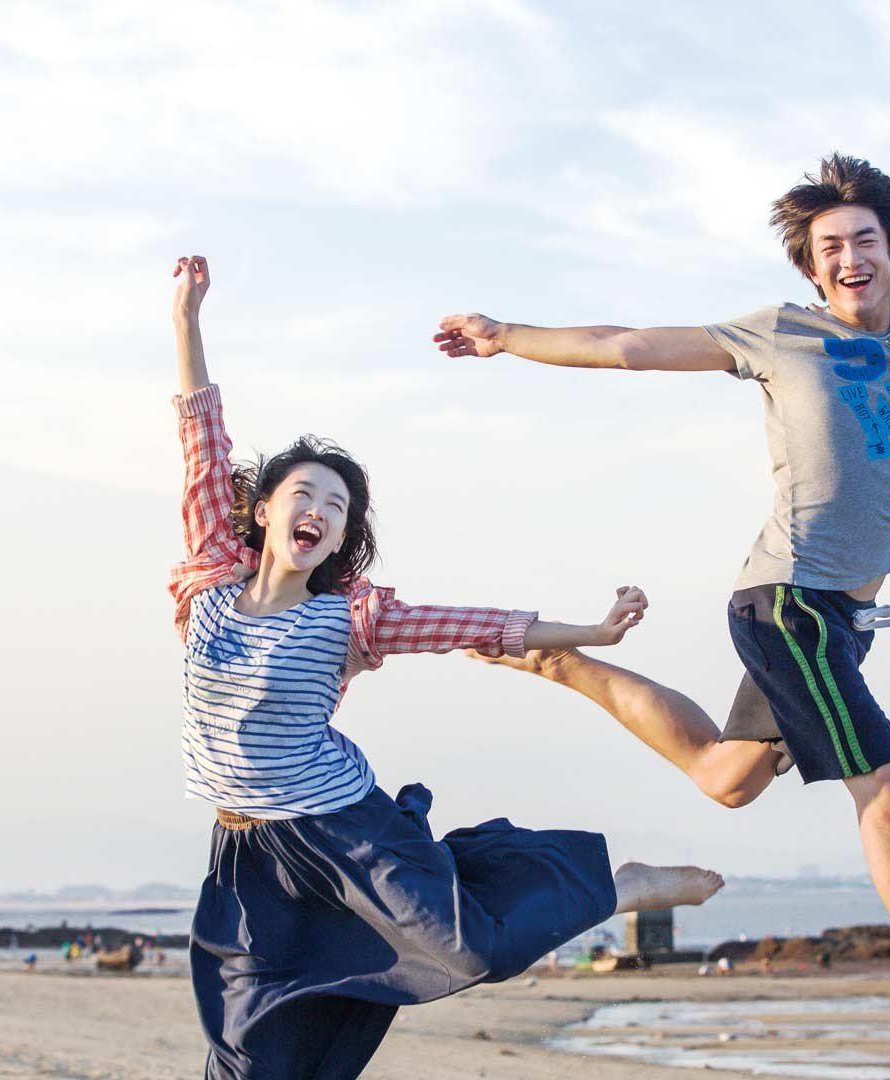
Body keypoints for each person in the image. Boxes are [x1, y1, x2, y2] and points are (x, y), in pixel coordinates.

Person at [434, 22, 890, 1080]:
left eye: (864, 239)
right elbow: (630, 347)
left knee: (726, 776)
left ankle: (561, 660)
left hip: (844, 617)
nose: (849, 257)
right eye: (830, 248)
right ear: (814, 270)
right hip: (791, 602)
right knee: (883, 789)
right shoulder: (784, 335)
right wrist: (510, 337)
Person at [166, 256, 725, 1080]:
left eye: (336, 507)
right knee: (252, 1054)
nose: (318, 511)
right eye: (305, 495)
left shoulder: (348, 618)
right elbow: (200, 438)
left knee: (471, 951)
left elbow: (474, 625)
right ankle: (450, 878)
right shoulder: (211, 574)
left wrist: (593, 632)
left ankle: (617, 887)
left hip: (342, 830)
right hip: (247, 855)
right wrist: (186, 318)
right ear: (265, 509)